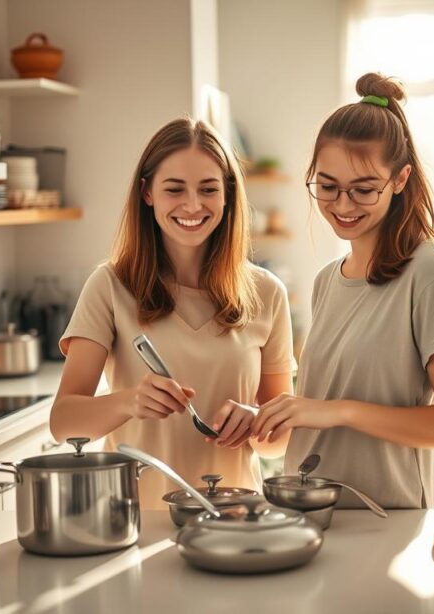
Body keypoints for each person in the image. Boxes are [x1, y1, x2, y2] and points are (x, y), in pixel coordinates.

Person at [252, 73, 434, 509]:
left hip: (383, 522)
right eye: (327, 187)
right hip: (308, 513)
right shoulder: (327, 281)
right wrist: (268, 418)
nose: (342, 205)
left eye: (363, 190)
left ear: (400, 180)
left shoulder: (430, 272)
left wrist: (340, 410)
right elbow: (318, 416)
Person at [51, 117, 295, 509]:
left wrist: (256, 421)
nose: (193, 205)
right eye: (174, 189)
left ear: (228, 195)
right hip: (135, 523)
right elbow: (63, 422)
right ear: (147, 193)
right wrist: (129, 402)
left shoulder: (267, 293)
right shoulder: (110, 286)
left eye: (208, 189)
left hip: (233, 518)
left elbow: (278, 442)